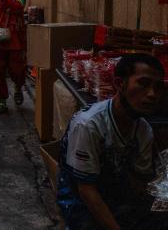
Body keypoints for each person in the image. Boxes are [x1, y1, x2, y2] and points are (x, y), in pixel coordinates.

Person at [57, 54, 168, 229]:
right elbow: (86, 190)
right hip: (80, 201)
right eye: (143, 84)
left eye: (158, 87)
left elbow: (140, 181)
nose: (152, 94)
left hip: (116, 193)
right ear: (119, 84)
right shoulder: (90, 125)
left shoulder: (143, 129)